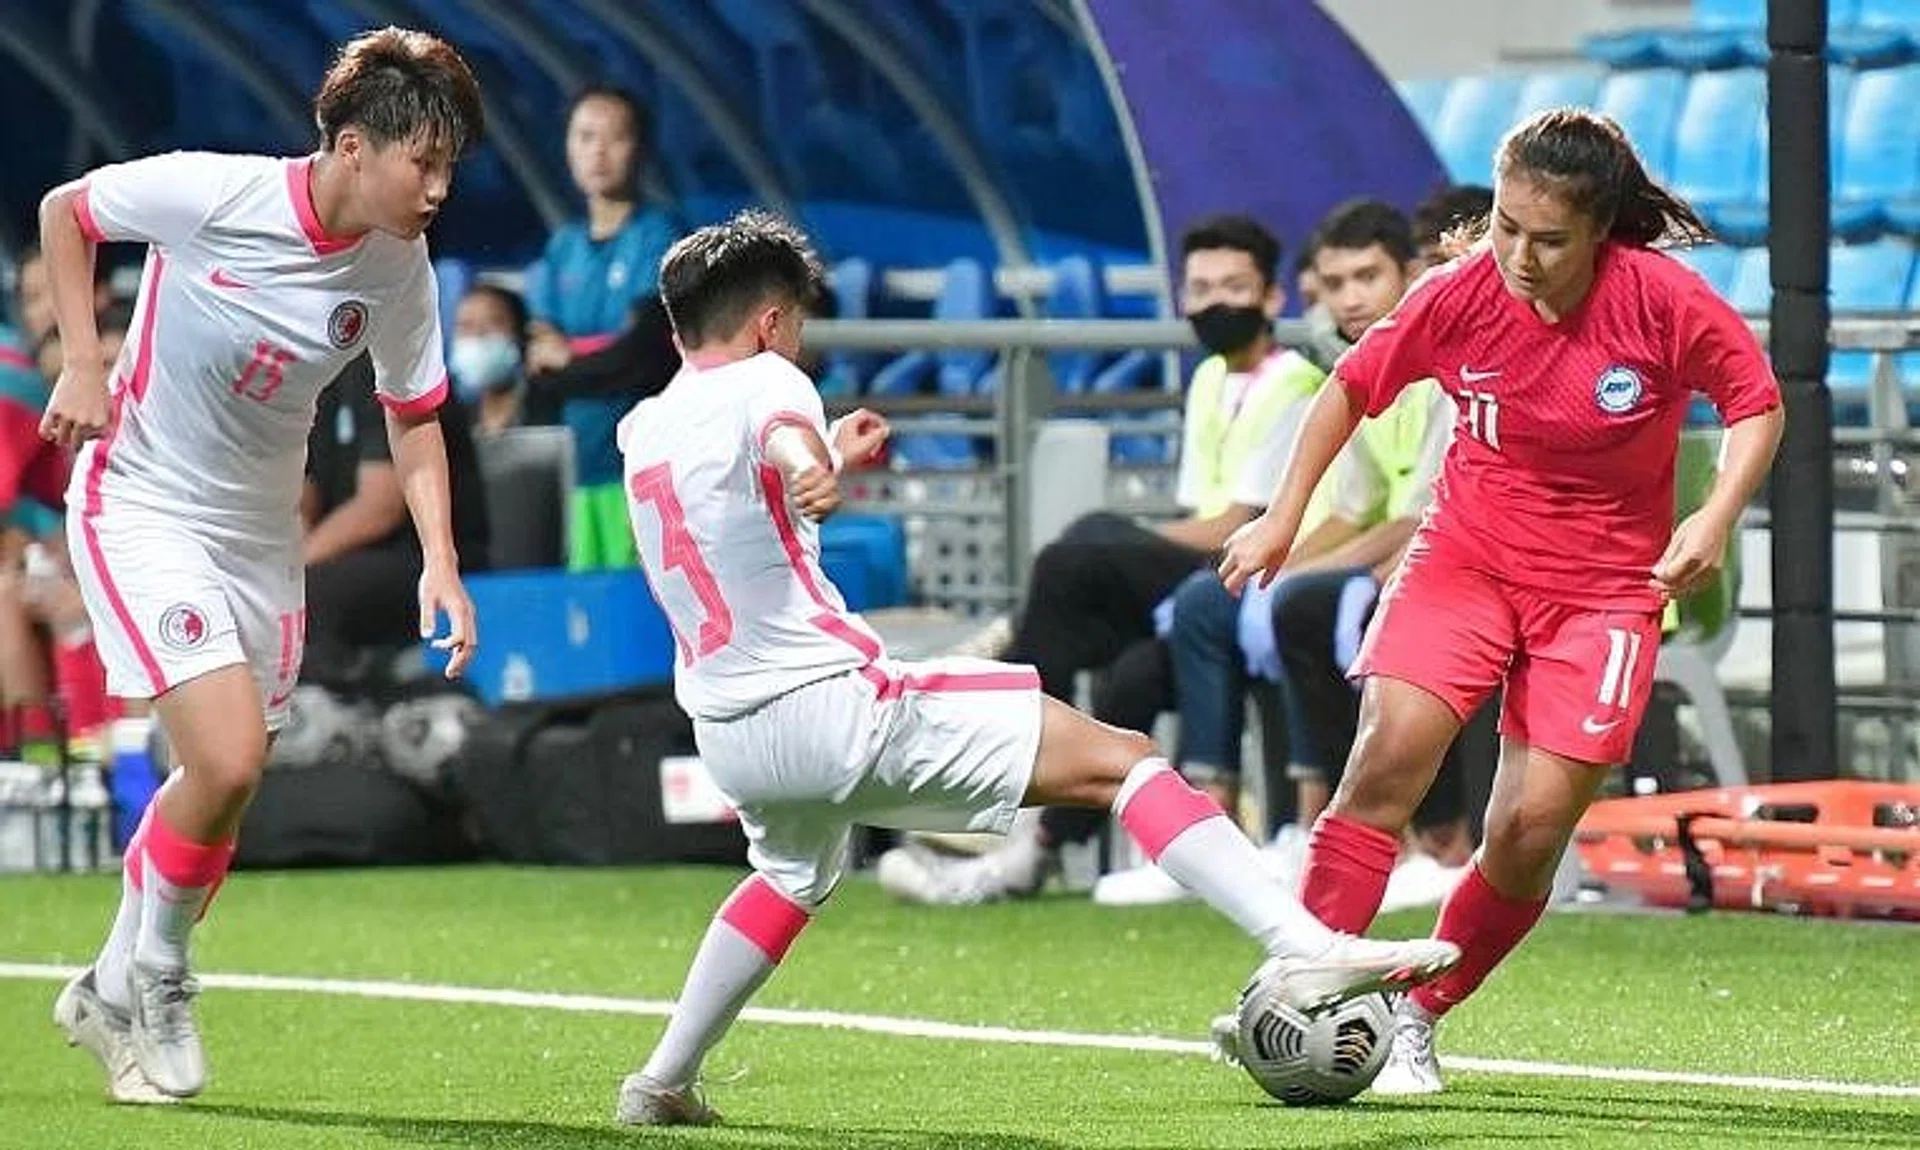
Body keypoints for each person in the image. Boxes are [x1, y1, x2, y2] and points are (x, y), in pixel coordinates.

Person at [610, 210, 1461, 1128]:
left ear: (675, 326)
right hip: (830, 702)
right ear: (772, 323)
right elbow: (779, 430)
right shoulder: (770, 378)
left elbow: (740, 514)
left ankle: (662, 1079)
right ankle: (1302, 944)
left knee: (788, 879)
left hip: (732, 731)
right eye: (801, 325)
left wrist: (817, 469)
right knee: (1124, 757)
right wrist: (811, 460)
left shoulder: (645, 427)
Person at [1217, 109, 1783, 1095]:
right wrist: (1281, 516)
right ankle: (1304, 985)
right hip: (1467, 558)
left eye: (1549, 238)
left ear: (1600, 229)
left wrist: (1717, 517)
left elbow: (1755, 401)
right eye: (1508, 226)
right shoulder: (1459, 293)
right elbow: (1349, 388)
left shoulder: (1661, 301)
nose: (1520, 254)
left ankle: (1413, 1019)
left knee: (1526, 833)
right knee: (1386, 758)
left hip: (1607, 591)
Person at [37, 27, 483, 1104]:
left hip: (260, 538)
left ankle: (105, 983)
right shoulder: (213, 194)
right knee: (229, 761)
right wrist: (87, 360)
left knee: (219, 790)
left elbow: (414, 417)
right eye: (422, 163)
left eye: (449, 169)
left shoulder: (398, 265)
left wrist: (442, 562)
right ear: (347, 145)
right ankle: (159, 973)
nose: (436, 190)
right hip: (141, 502)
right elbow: (68, 211)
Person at [524, 86, 685, 571]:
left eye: (615, 137)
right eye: (585, 136)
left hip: (638, 465)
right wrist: (599, 357)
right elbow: (538, 362)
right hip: (576, 466)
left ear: (640, 149)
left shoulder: (659, 236)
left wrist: (570, 358)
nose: (599, 151)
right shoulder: (563, 247)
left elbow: (643, 356)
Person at [302, 353, 490, 687]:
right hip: (348, 555)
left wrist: (293, 566)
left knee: (311, 593)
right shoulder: (316, 377)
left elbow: (379, 509)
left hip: (422, 554)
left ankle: (344, 710)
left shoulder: (385, 365)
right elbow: (302, 493)